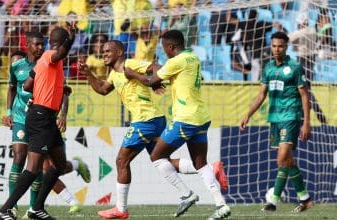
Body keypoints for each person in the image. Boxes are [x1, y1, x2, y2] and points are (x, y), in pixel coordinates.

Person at [79, 40, 227, 219]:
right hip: (154, 119)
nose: (104, 54)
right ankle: (208, 171)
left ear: (119, 52)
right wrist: (88, 73)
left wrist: (152, 80)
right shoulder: (113, 74)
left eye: (108, 51)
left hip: (145, 121)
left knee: (121, 161)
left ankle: (121, 209)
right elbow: (102, 89)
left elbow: (156, 66)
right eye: (103, 52)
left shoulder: (130, 64)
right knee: (161, 160)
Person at [123, 30, 231, 220]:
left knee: (157, 155)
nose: (164, 51)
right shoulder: (193, 58)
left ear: (171, 47)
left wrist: (132, 74)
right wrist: (157, 76)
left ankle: (186, 194)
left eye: (164, 47)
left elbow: (149, 81)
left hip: (185, 118)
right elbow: (168, 77)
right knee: (201, 163)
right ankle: (221, 204)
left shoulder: (176, 62)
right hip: (201, 117)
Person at [0, 31, 90, 219]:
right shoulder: (51, 56)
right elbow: (61, 53)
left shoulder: (42, 63)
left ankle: (36, 208)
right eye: (38, 45)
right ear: (58, 44)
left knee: (57, 165)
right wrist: (72, 38)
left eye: (43, 44)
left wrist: (47, 90)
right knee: (32, 167)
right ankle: (5, 210)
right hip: (40, 117)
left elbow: (26, 86)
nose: (41, 48)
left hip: (45, 117)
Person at [240, 32, 314, 213]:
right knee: (285, 161)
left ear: (286, 47)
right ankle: (304, 199)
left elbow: (305, 96)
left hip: (291, 117)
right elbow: (261, 95)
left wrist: (306, 122)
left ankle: (274, 201)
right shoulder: (269, 68)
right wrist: (247, 114)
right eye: (273, 46)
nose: (276, 49)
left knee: (282, 158)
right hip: (274, 119)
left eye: (280, 46)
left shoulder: (295, 68)